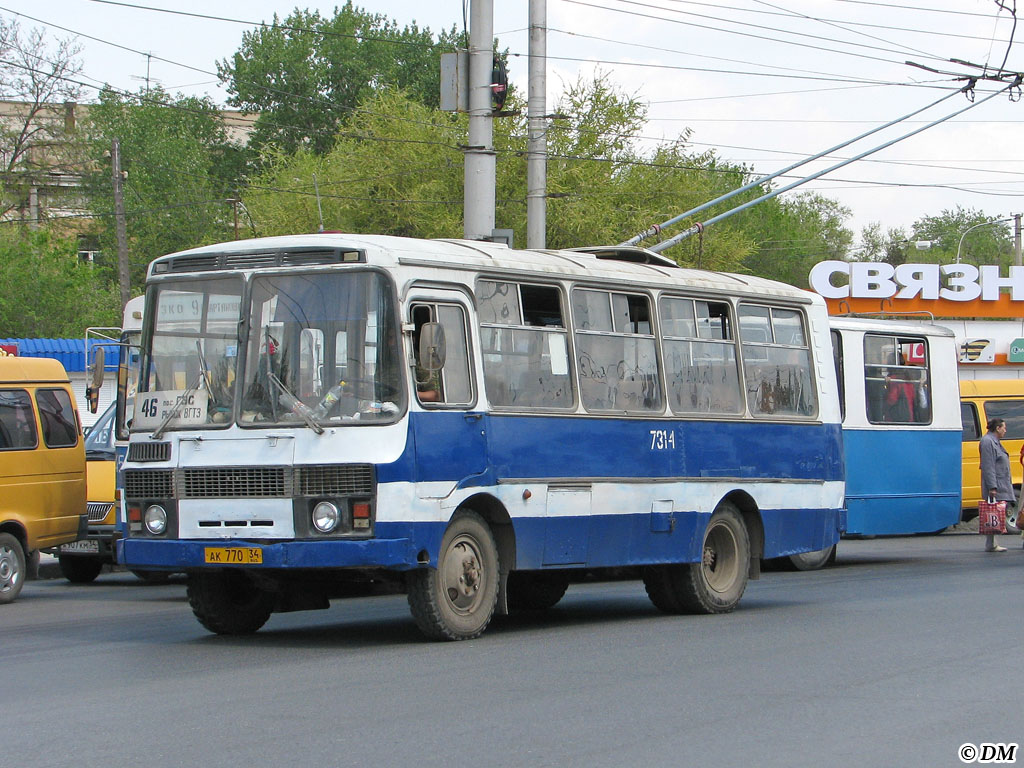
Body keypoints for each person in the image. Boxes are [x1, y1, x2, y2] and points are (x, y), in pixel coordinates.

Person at [979, 417, 1014, 552]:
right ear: (997, 428)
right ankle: (991, 544)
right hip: (996, 484)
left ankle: (992, 542)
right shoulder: (988, 442)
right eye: (1004, 428)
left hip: (1000, 482)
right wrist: (992, 487)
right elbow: (988, 466)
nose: (1005, 430)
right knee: (992, 512)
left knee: (995, 512)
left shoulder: (995, 441)